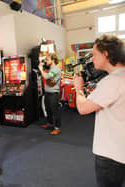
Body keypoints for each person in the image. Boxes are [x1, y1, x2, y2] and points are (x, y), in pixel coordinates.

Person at [74, 35, 125, 187]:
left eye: (95, 55)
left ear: (106, 54)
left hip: (111, 155)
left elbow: (83, 108)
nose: (92, 59)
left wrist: (78, 89)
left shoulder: (113, 81)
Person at [38, 53, 62, 135]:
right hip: (48, 93)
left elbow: (47, 77)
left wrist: (41, 70)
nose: (46, 61)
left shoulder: (56, 69)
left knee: (54, 111)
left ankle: (57, 128)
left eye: (48, 59)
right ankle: (50, 124)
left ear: (53, 60)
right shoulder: (50, 68)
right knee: (48, 110)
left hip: (53, 94)